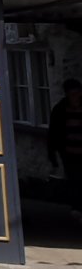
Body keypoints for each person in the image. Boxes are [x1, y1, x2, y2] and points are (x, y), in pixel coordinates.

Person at [51, 79, 82, 217]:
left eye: (77, 93)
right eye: (72, 94)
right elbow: (53, 133)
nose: (76, 97)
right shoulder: (60, 109)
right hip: (69, 153)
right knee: (74, 180)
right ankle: (76, 207)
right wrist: (53, 156)